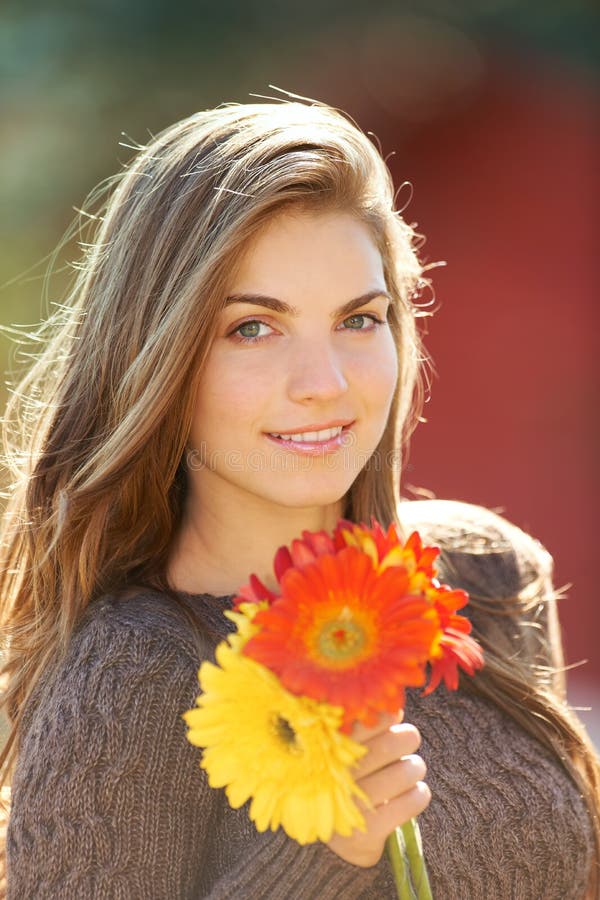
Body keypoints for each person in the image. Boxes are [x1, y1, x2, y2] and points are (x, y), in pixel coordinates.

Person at [0, 97, 598, 900]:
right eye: (253, 328)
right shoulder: (128, 676)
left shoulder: (485, 577)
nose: (326, 386)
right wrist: (323, 857)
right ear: (158, 356)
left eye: (359, 319)